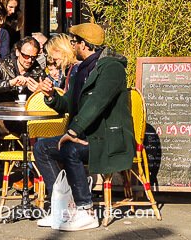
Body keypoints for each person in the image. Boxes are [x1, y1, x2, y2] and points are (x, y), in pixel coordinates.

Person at [33, 23, 133, 231]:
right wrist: (51, 96)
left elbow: (97, 103)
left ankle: (85, 210)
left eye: (74, 42)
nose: (72, 46)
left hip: (106, 138)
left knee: (70, 149)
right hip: (88, 135)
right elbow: (69, 104)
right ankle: (60, 208)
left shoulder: (111, 68)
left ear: (84, 45)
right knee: (42, 147)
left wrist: (72, 131)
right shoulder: (82, 70)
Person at [0, 37, 44, 190]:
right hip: (0, 116)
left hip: (24, 118)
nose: (29, 60)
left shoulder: (37, 70)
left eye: (33, 57)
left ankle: (31, 175)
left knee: (35, 134)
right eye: (26, 56)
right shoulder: (3, 65)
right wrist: (10, 83)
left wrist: (39, 90)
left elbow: (45, 93)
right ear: (17, 52)